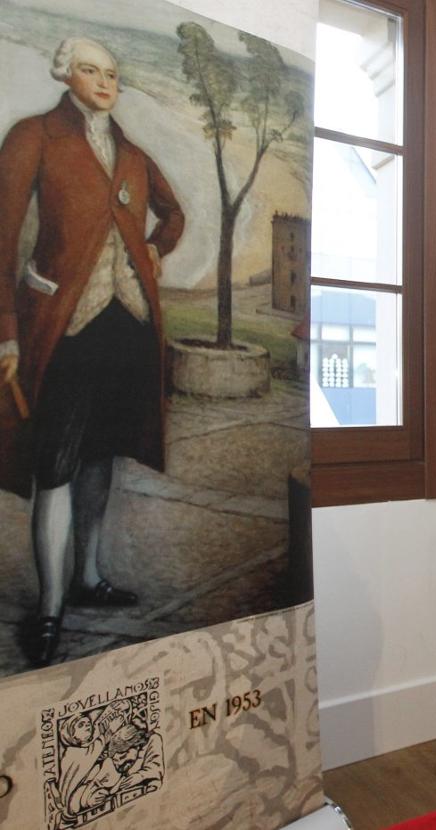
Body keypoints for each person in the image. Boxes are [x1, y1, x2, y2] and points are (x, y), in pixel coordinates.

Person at [0, 36, 185, 666]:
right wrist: (6, 332)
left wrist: (155, 248)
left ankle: (89, 576)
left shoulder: (130, 152)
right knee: (54, 464)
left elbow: (173, 214)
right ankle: (50, 607)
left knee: (101, 456)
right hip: (60, 324)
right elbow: (1, 242)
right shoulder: (34, 137)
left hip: (125, 326)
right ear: (65, 74)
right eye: (90, 70)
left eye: (112, 73)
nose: (104, 82)